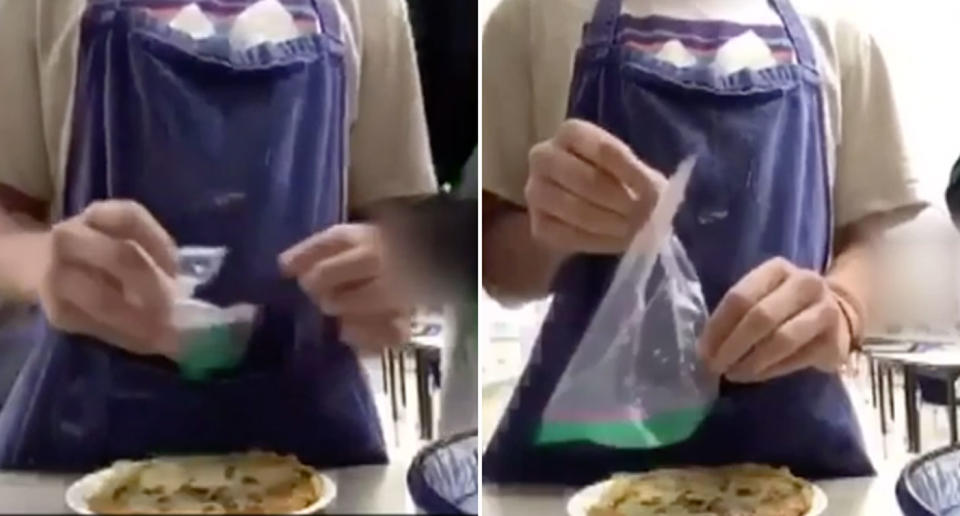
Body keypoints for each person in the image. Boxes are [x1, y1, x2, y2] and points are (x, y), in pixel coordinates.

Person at [482, 0, 926, 484]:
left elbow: (870, 248)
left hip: (794, 478)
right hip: (577, 481)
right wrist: (556, 234)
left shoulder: (840, 32)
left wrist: (843, 309)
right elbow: (495, 268)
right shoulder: (531, 19)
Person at [0, 0, 436, 470]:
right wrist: (46, 262)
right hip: (78, 456)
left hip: (313, 462)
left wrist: (400, 273)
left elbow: (410, 237)